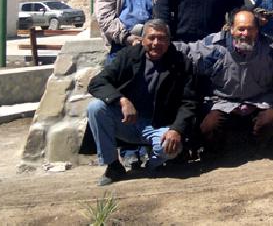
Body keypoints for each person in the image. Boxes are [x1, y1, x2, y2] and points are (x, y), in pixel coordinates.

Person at [86, 19, 200, 186]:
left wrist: (176, 129)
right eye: (151, 38)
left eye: (162, 39)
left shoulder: (181, 63)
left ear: (169, 41)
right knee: (95, 108)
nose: (156, 43)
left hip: (159, 125)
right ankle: (113, 165)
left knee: (170, 147)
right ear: (142, 39)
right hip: (128, 122)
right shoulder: (128, 56)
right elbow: (97, 83)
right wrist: (121, 100)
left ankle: (153, 165)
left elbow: (189, 102)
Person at [184, 8, 273, 156]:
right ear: (231, 29)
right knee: (209, 127)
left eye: (250, 29)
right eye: (241, 29)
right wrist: (160, 46)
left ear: (257, 30)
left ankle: (256, 147)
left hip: (258, 101)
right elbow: (187, 51)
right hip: (224, 102)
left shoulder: (269, 47)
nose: (245, 34)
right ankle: (219, 152)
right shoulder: (215, 45)